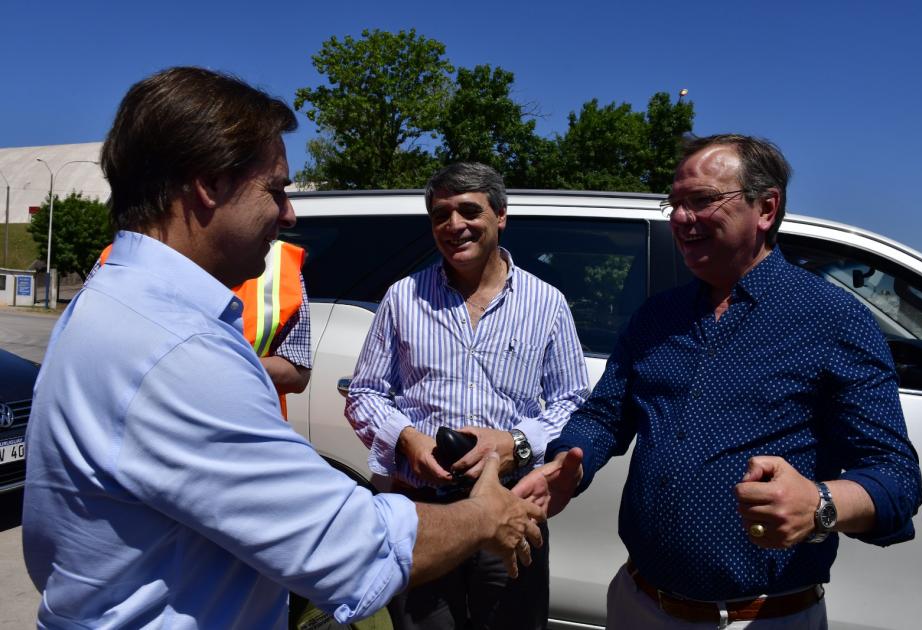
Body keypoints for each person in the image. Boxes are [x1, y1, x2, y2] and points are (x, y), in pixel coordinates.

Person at [22, 67, 544, 629]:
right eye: (275, 190)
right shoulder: (179, 348)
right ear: (208, 183)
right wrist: (482, 515)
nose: (290, 215)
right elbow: (349, 548)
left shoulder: (109, 302)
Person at [515, 134, 922, 628]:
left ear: (766, 208)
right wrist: (571, 461)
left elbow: (896, 479)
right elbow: (604, 415)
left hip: (762, 617)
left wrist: (820, 504)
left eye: (703, 200)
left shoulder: (832, 319)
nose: (681, 218)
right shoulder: (657, 316)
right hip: (636, 602)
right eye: (676, 203)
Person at [345, 162, 589, 629]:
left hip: (510, 502)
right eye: (441, 215)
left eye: (468, 211)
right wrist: (406, 439)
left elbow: (573, 402)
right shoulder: (403, 297)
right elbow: (364, 395)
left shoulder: (546, 303)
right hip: (424, 509)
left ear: (501, 215)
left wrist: (514, 442)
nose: (454, 226)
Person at [94, 237, 312, 419]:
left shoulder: (280, 265)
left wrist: (210, 363)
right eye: (273, 192)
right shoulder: (119, 258)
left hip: (241, 439)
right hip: (141, 434)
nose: (288, 215)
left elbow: (297, 373)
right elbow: (88, 353)